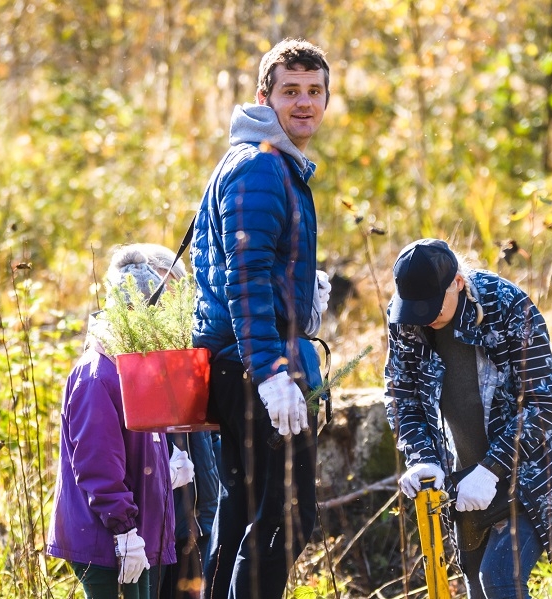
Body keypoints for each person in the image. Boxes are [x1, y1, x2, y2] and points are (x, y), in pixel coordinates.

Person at [383, 238, 552, 599]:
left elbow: (541, 402)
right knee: (475, 578)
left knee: (500, 577)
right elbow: (403, 394)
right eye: (415, 309)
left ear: (458, 282)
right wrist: (422, 458)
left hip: (539, 467)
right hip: (466, 477)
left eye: (432, 306)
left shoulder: (507, 306)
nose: (424, 318)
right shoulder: (406, 316)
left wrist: (490, 469)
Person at [190, 38, 332, 599]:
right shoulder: (261, 168)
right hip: (254, 365)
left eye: (314, 91)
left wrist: (300, 299)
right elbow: (243, 276)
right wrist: (272, 371)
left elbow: (256, 267)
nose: (304, 103)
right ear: (263, 97)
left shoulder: (271, 163)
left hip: (241, 359)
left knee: (243, 511)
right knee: (287, 517)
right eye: (290, 91)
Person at [46, 244, 196, 599]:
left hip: (140, 534)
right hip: (107, 543)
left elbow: (142, 447)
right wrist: (123, 530)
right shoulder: (97, 375)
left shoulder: (133, 366)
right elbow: (98, 464)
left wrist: (166, 471)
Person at [139, 243, 221, 599]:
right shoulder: (132, 361)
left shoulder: (188, 353)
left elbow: (210, 436)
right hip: (157, 536)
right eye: (159, 292)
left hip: (200, 523)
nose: (166, 306)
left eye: (175, 294)